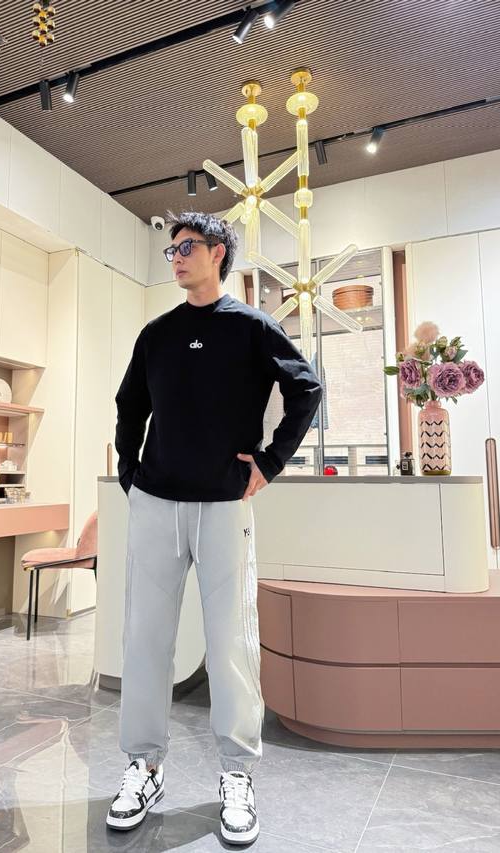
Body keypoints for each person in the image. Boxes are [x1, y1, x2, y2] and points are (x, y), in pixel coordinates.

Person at [107, 210, 323, 846]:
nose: (176, 257)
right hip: (155, 503)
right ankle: (143, 767)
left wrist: (270, 462)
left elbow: (306, 389)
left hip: (224, 505)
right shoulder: (157, 334)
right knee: (145, 639)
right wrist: (129, 472)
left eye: (187, 247)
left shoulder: (252, 327)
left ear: (219, 253)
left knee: (231, 642)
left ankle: (236, 773)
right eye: (171, 249)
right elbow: (129, 406)